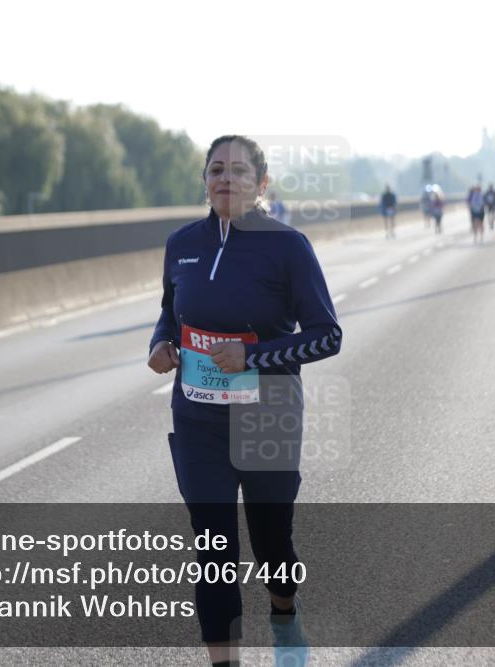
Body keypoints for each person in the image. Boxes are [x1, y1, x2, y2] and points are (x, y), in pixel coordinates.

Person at [148, 135, 342, 667]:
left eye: (237, 171)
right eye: (215, 169)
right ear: (204, 180)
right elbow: (171, 312)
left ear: (261, 184)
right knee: (213, 549)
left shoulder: (287, 246)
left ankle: (285, 614)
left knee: (271, 545)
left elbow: (328, 336)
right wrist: (160, 344)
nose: (225, 179)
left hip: (268, 417)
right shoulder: (181, 243)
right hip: (197, 418)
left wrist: (252, 358)